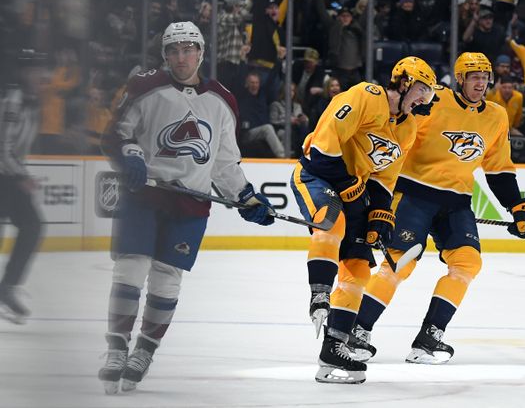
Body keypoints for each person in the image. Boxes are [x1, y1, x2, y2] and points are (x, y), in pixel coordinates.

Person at [97, 22, 276, 394]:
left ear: (201, 53)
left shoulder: (222, 100)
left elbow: (225, 162)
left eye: (188, 49)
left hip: (191, 203)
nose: (182, 57)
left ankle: (144, 350)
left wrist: (247, 196)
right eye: (174, 50)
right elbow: (115, 133)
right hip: (145, 195)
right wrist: (130, 155)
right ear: (165, 55)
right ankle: (116, 347)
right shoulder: (146, 87)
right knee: (131, 267)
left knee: (166, 277)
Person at [347, 52, 525, 367]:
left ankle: (429, 337)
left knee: (467, 263)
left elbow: (499, 168)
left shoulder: (497, 116)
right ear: (460, 79)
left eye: (485, 77)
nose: (481, 83)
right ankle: (357, 330)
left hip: (456, 200)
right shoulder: (434, 101)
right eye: (474, 77)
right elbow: (398, 131)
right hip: (414, 192)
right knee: (399, 263)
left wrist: (518, 207)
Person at [290, 56, 437, 384]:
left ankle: (334, 347)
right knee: (332, 220)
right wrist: (350, 187)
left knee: (358, 266)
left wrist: (379, 218)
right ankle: (319, 293)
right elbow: (323, 152)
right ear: (403, 81)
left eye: (429, 94)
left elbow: (384, 180)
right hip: (318, 176)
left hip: (353, 189)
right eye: (422, 90)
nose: (424, 99)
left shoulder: (408, 127)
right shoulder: (365, 95)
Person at [0, 49, 47, 324]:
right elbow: (3, 148)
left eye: (40, 69)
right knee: (30, 226)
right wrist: (21, 176)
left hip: (10, 176)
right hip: (5, 176)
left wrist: (19, 173)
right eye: (34, 69)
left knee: (32, 226)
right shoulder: (13, 100)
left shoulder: (33, 101)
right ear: (23, 72)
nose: (39, 74)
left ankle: (7, 287)